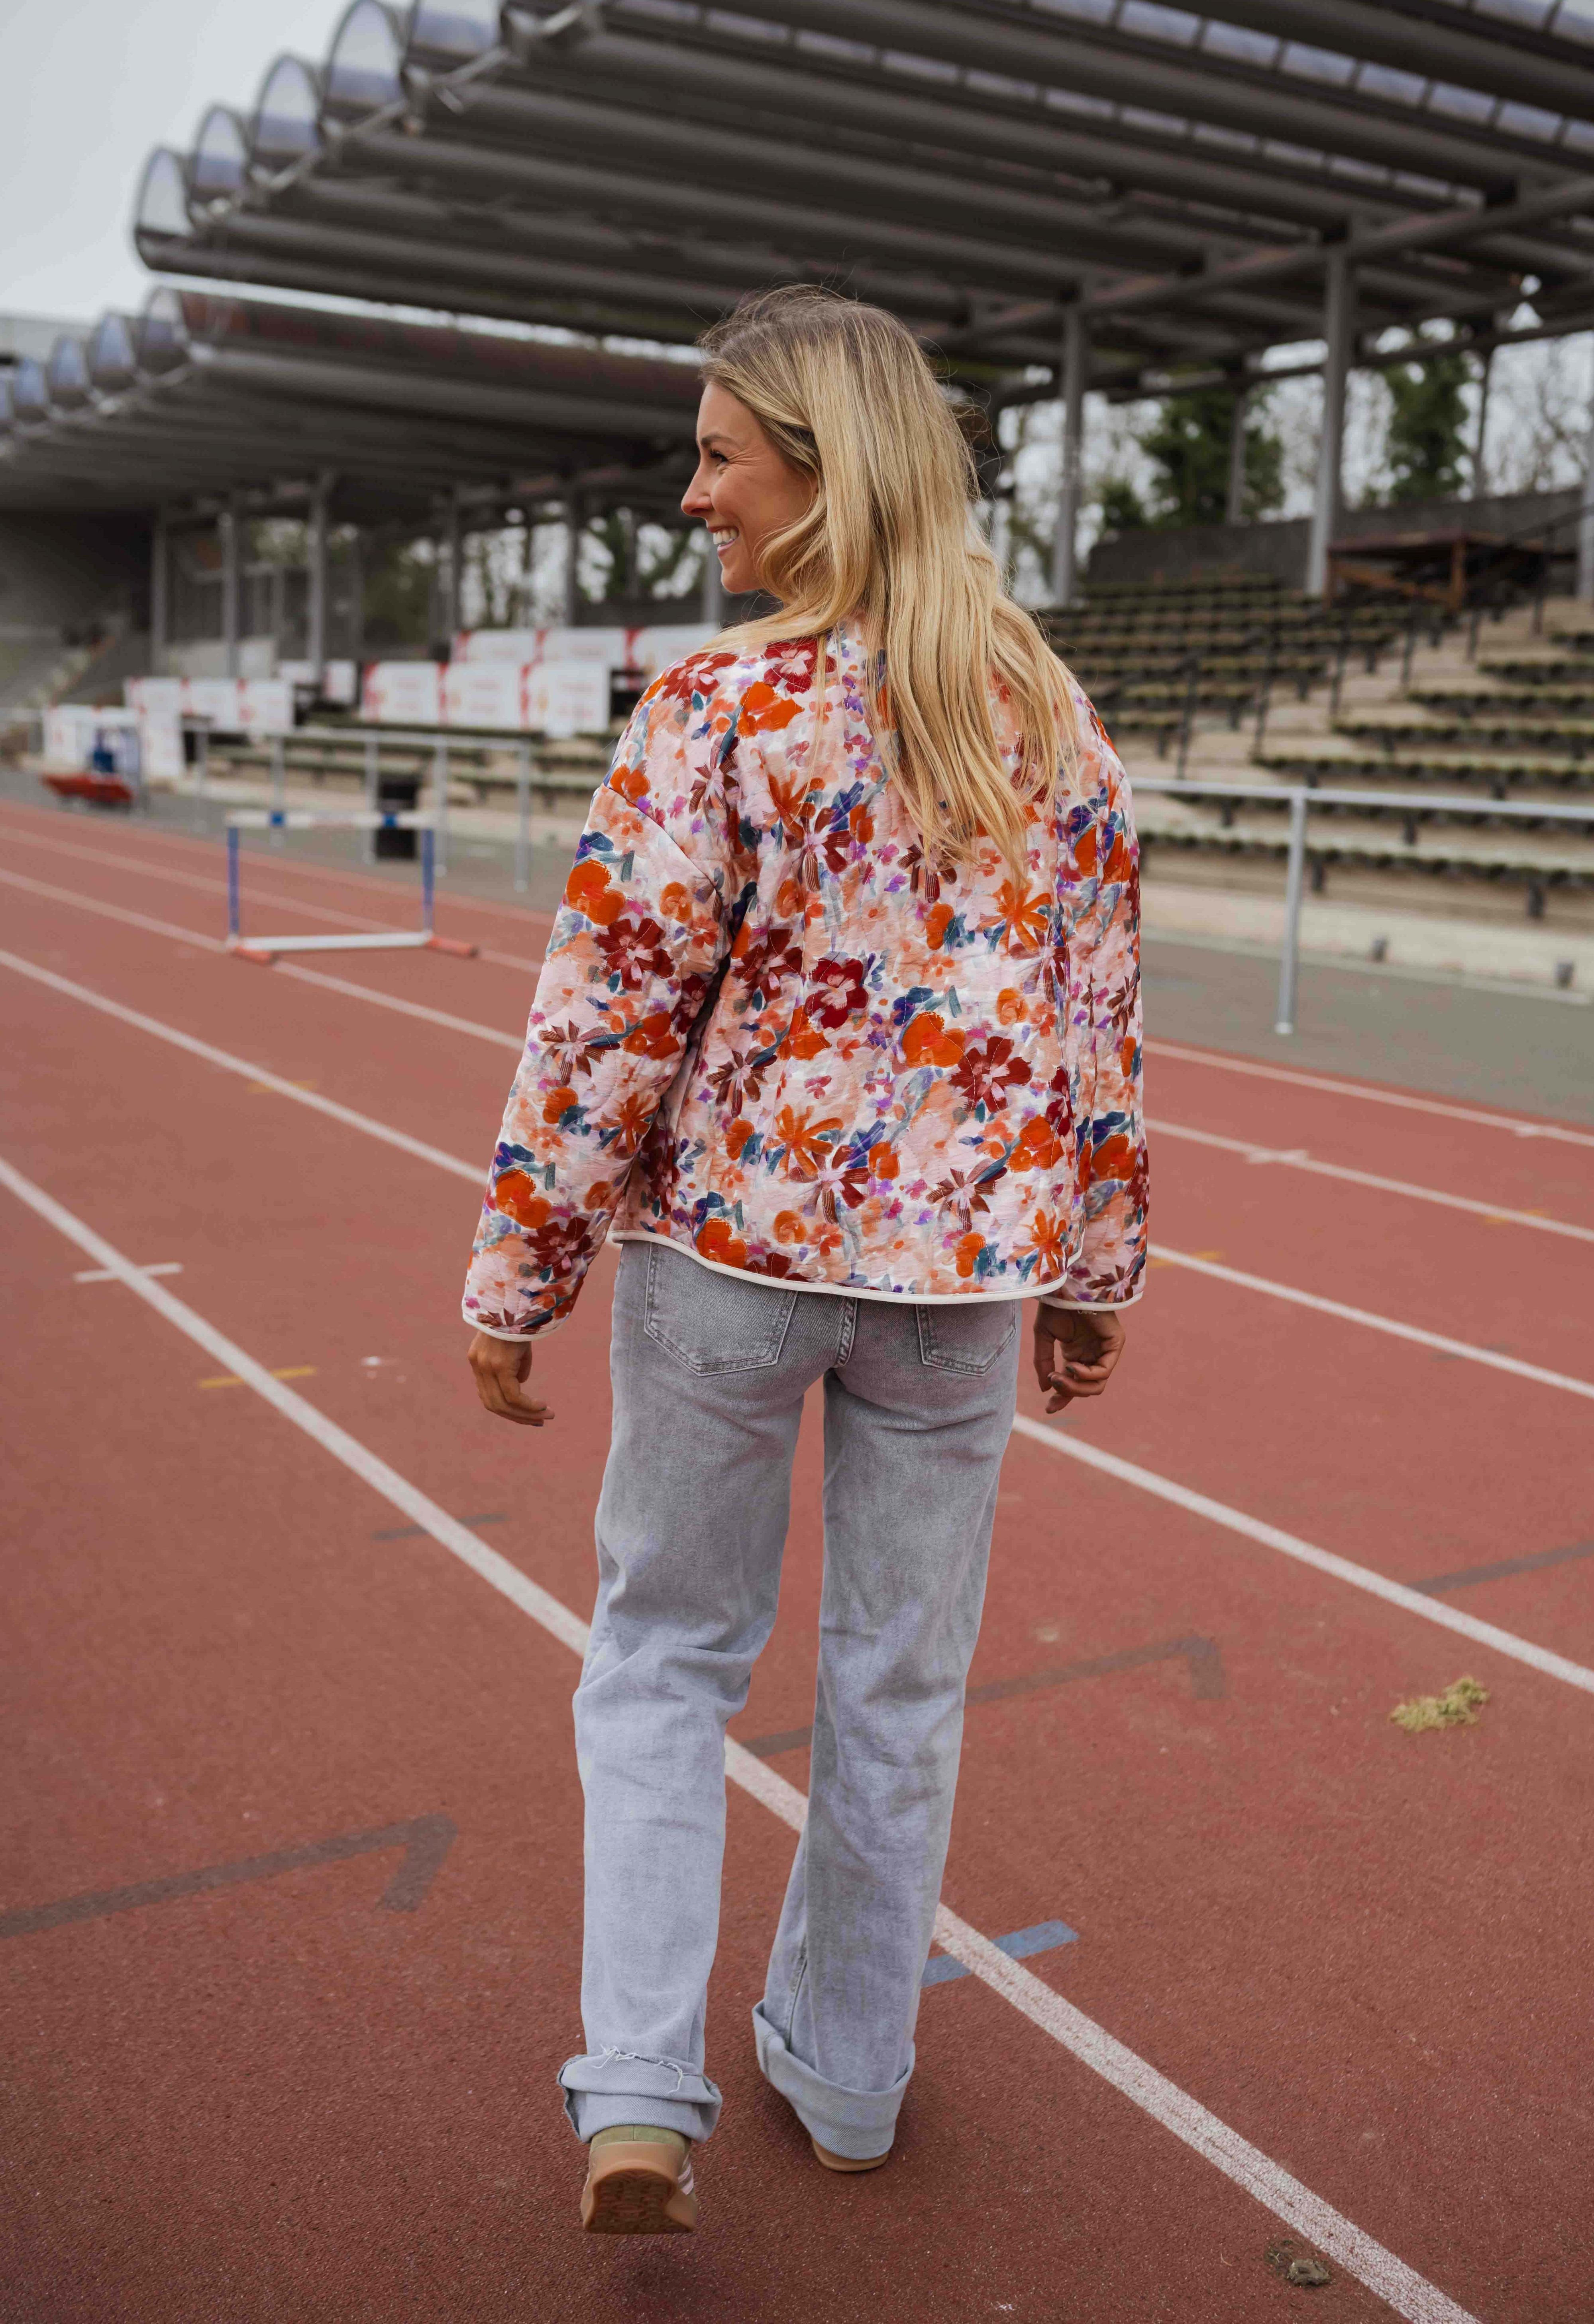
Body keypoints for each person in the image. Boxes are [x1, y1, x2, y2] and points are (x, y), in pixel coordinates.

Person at [464, 286, 1146, 2235]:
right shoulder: (1049, 715)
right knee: (897, 1684)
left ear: (823, 476)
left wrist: (519, 1272)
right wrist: (1094, 1268)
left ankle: (638, 2096)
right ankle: (852, 2080)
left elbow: (610, 1010)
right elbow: (1095, 1020)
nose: (691, 500)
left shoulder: (720, 706)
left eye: (718, 458)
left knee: (666, 1658)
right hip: (959, 1295)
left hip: (732, 1269)